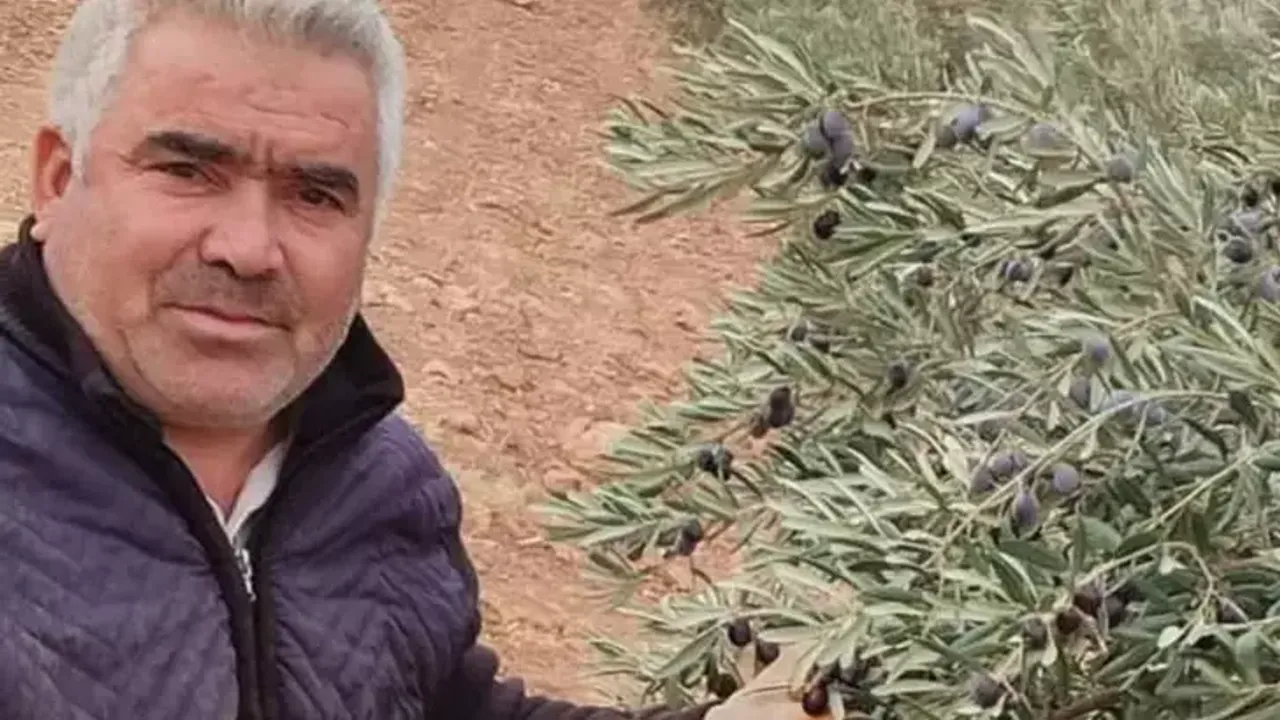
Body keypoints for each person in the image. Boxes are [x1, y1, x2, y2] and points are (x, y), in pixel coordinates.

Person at [0, 0, 823, 718]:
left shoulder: (381, 482)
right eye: (187, 169)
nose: (248, 248)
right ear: (58, 180)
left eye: (315, 195)